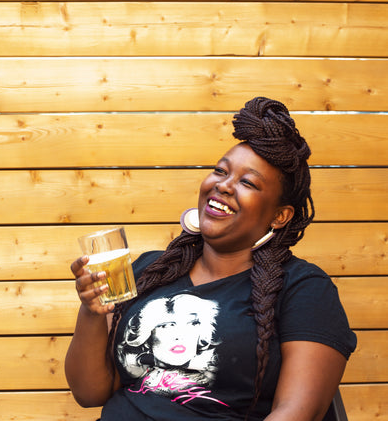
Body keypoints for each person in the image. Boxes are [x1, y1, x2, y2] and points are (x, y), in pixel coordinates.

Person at [65, 97, 357, 420]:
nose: (224, 186)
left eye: (247, 183)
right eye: (220, 171)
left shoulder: (304, 289)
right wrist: (92, 312)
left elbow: (297, 413)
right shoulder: (151, 271)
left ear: (280, 216)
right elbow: (89, 392)